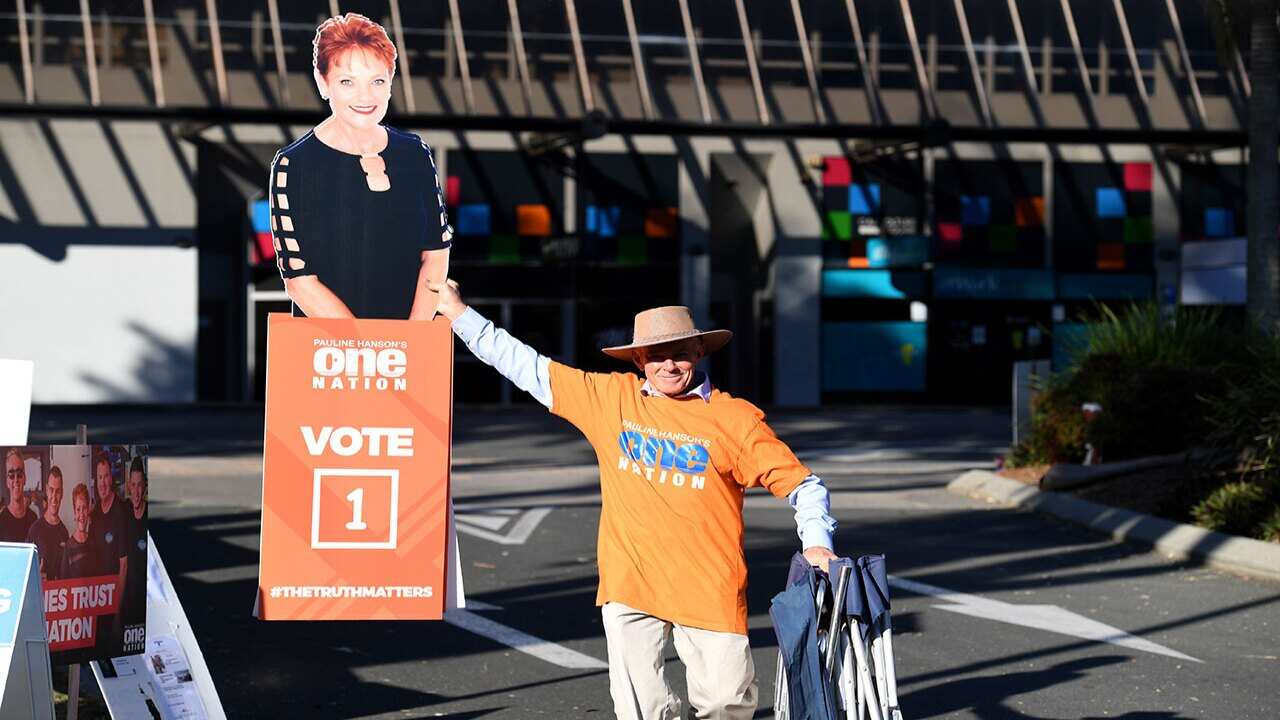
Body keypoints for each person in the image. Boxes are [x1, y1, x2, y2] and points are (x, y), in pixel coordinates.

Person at [432, 279, 838, 720]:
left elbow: (805, 486)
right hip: (631, 584)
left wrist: (817, 543)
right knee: (641, 711)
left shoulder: (733, 419)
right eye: (657, 354)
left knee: (726, 703)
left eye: (680, 352)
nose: (669, 363)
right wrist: (459, 314)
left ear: (699, 353)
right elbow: (525, 365)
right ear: (639, 359)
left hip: (709, 586)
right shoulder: (611, 399)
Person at [269, 13, 452, 320]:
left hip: (406, 352)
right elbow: (298, 278)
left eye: (377, 81)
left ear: (390, 83)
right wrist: (368, 349)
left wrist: (411, 340)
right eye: (347, 82)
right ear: (322, 83)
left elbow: (436, 254)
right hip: (329, 354)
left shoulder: (415, 154)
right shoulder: (294, 164)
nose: (365, 96)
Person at [90, 454, 128, 650]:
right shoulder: (95, 513)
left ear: (111, 479)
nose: (103, 483)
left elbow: (124, 565)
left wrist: (117, 612)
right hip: (98, 600)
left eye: (106, 477)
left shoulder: (120, 511)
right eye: (99, 477)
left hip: (115, 602)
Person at [26, 465, 69, 582]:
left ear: (62, 493)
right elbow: (24, 572)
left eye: (58, 491)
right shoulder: (34, 530)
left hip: (59, 598)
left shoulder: (64, 533)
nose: (54, 497)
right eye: (51, 490)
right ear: (46, 490)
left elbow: (66, 575)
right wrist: (35, 577)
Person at [121, 456, 148, 631]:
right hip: (128, 596)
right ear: (129, 486)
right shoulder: (124, 511)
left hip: (147, 597)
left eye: (140, 485)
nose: (136, 492)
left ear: (145, 486)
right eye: (133, 485)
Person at [61, 483, 99, 579]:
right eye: (78, 509)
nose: (81, 514)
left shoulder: (94, 542)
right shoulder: (68, 547)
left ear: (89, 510)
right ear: (74, 512)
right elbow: (64, 584)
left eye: (84, 508)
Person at [0, 448, 37, 542]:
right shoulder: (1, 520)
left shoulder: (33, 519)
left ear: (25, 478)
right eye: (11, 475)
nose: (16, 480)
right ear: (7, 481)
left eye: (19, 474)